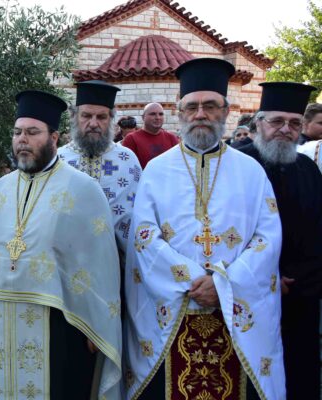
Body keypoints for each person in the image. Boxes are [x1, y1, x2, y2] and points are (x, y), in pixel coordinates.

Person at [124, 58, 285, 400]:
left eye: (210, 106)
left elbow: (267, 238)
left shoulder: (251, 171)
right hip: (174, 308)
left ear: (225, 111)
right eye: (192, 106)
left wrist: (223, 283)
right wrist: (192, 278)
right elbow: (144, 235)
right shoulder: (156, 170)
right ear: (179, 112)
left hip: (234, 310)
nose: (200, 114)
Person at [0, 90, 123, 399]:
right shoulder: (0, 188)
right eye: (17, 132)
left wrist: (100, 324)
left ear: (54, 138)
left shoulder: (83, 189)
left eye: (33, 132)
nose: (22, 139)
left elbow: (99, 262)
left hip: (55, 319)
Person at [240, 82, 322, 399]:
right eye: (277, 121)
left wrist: (297, 278)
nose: (286, 130)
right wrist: (267, 277)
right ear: (259, 123)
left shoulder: (309, 170)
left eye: (294, 123)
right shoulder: (237, 165)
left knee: (298, 373)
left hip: (299, 295)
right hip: (248, 295)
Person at [58, 80, 141, 256]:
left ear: (111, 119)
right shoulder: (59, 159)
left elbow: (137, 216)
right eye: (86, 116)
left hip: (115, 257)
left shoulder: (127, 160)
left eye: (101, 117)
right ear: (75, 117)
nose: (94, 123)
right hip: (65, 256)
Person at [122, 102, 179, 168]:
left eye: (161, 114)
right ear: (143, 117)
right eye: (153, 114)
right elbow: (126, 167)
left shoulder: (171, 138)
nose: (158, 117)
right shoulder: (131, 139)